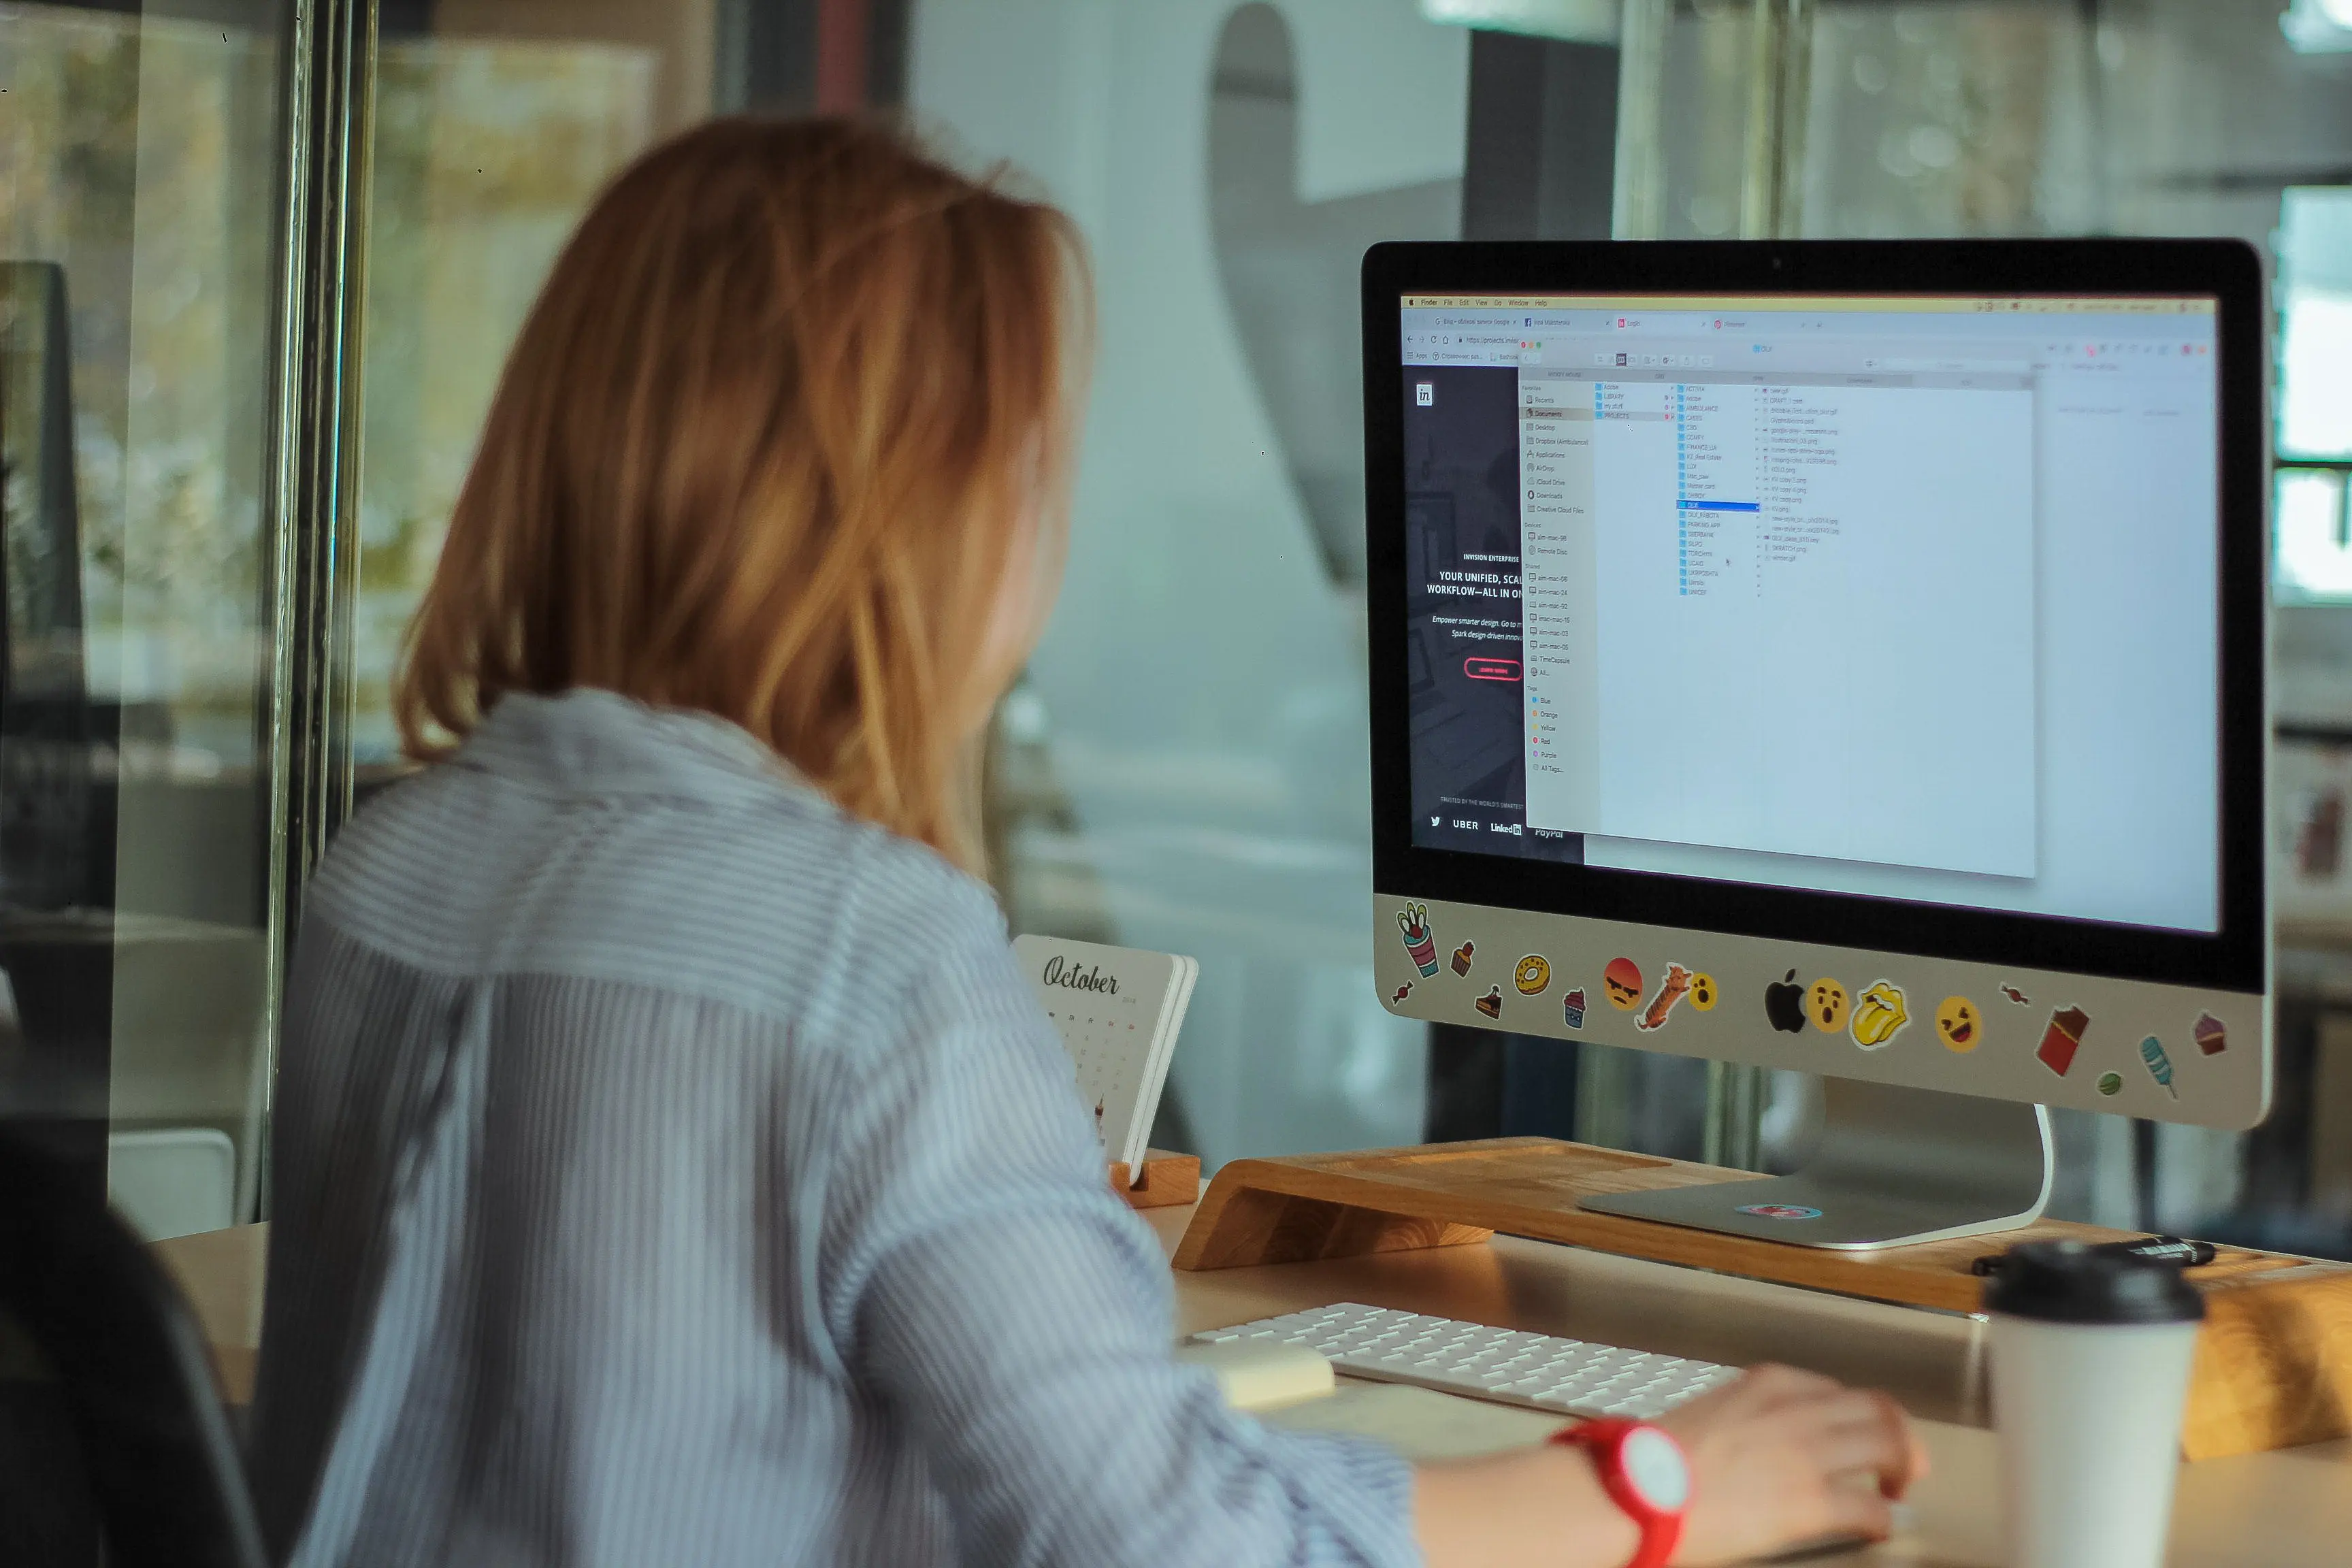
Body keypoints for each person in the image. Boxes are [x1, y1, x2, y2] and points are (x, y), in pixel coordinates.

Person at [248, 116, 1923, 1568]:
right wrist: (1659, 1481)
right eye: (1033, 480)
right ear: (915, 526)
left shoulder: (392, 861)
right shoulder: (864, 951)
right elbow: (1165, 1538)